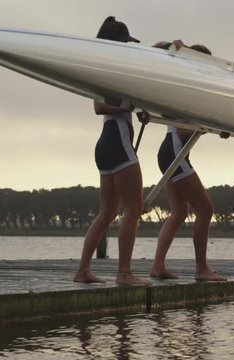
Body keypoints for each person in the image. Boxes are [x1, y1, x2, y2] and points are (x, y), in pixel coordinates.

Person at [73, 16, 151, 286]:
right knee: (134, 208)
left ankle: (82, 270)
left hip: (107, 144)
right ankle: (125, 273)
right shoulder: (107, 71)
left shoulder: (106, 68)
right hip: (117, 140)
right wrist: (127, 109)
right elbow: (98, 107)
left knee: (107, 213)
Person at [148, 41, 226, 281]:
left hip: (171, 151)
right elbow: (182, 129)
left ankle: (158, 266)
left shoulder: (190, 85)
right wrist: (208, 125)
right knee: (205, 208)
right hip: (174, 151)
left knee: (180, 212)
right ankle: (202, 269)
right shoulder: (184, 85)